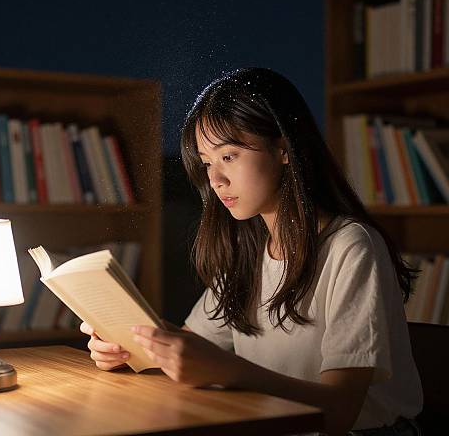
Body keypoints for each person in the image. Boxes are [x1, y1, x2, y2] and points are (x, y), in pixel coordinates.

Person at [81, 68, 423, 436]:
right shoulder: (248, 250)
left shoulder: (351, 247)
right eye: (207, 162)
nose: (215, 180)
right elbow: (194, 350)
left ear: (284, 150)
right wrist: (129, 347)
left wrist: (233, 372)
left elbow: (339, 413)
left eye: (229, 155)